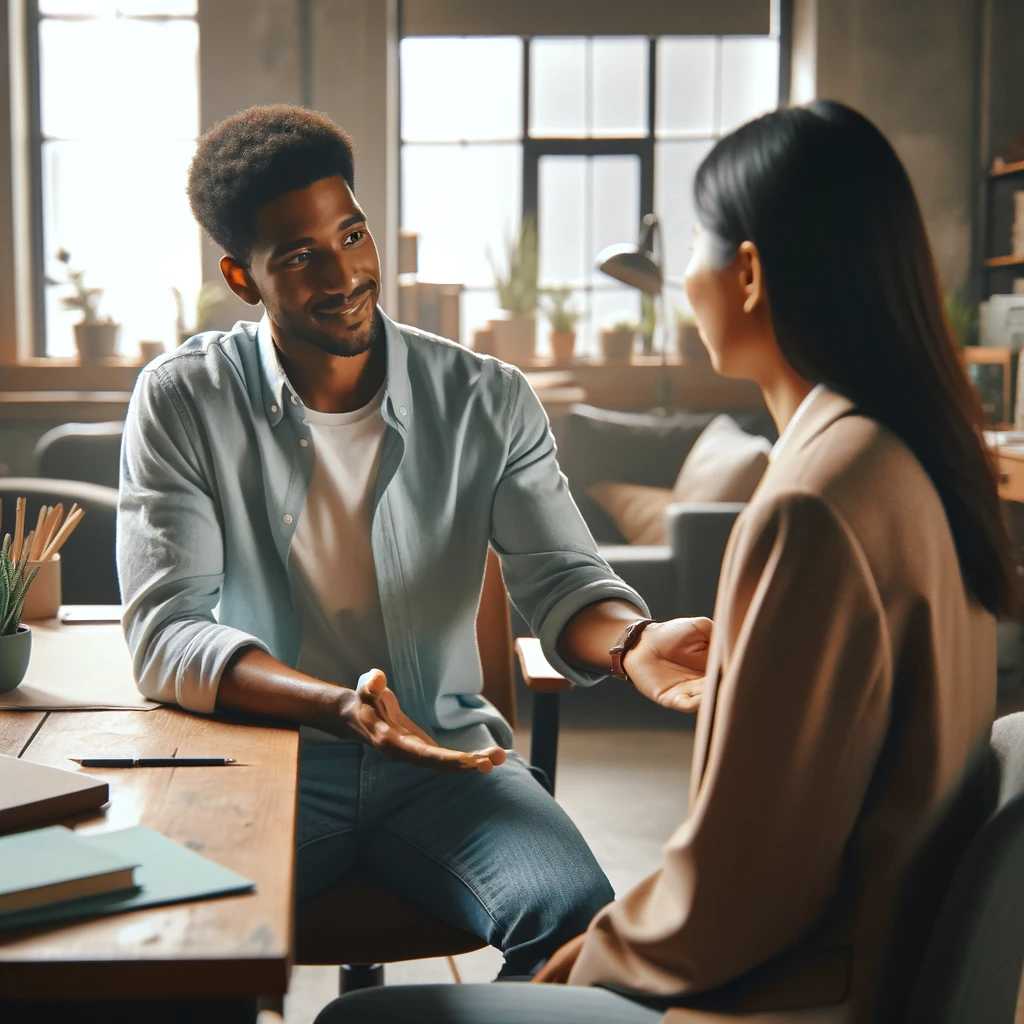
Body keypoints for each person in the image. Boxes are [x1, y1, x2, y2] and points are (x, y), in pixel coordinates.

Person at [314, 101, 1017, 1024]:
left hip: (779, 997)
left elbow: (748, 880)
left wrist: (598, 955)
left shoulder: (813, 503)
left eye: (693, 244)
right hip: (849, 972)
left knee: (361, 1021)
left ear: (750, 272)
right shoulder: (902, 457)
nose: (684, 276)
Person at [117, 104, 712, 977]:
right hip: (266, 764)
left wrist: (631, 642)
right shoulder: (183, 401)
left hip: (447, 762)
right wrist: (334, 705)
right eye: (300, 255)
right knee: (167, 955)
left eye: (353, 234)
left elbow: (560, 578)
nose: (347, 271)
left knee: (583, 936)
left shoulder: (487, 398)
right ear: (244, 280)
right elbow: (168, 631)